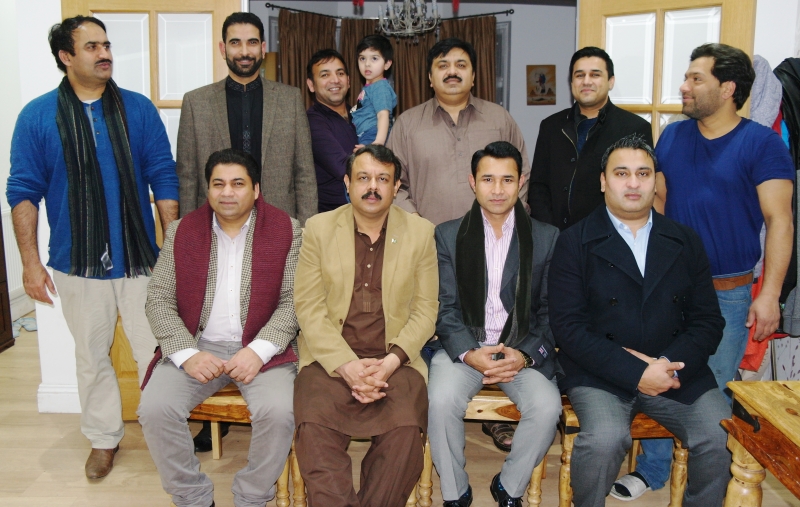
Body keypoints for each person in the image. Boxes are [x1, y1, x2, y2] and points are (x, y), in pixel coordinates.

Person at [613, 43, 795, 501]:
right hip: (665, 288)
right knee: (660, 375)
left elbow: (780, 221)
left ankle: (705, 480)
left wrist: (769, 294)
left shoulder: (762, 144)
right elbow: (658, 199)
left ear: (728, 88)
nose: (684, 86)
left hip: (728, 295)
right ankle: (653, 469)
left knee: (707, 389)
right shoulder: (673, 136)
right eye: (687, 77)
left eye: (696, 78)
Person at [6, 15, 179, 479]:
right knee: (91, 356)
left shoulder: (137, 109)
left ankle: (165, 434)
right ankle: (103, 439)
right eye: (92, 47)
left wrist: (173, 246)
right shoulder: (37, 116)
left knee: (158, 352)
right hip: (76, 262)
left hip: (140, 259)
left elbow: (163, 175)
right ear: (66, 56)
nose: (105, 54)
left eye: (106, 45)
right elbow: (23, 191)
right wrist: (29, 264)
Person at [548, 135, 731, 507]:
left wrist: (666, 365)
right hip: (600, 373)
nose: (633, 183)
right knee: (603, 440)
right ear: (603, 181)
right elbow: (569, 328)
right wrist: (637, 372)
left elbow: (708, 320)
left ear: (655, 181)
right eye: (622, 173)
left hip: (675, 370)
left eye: (643, 173)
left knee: (720, 436)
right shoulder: (573, 241)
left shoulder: (685, 240)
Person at [387, 37, 531, 447]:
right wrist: (423, 229)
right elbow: (396, 184)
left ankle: (498, 413)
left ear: (474, 73)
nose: (452, 71)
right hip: (430, 248)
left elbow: (522, 178)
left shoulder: (499, 119)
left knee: (497, 321)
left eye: (461, 64)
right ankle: (430, 407)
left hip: (496, 246)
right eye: (443, 65)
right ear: (429, 76)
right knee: (436, 323)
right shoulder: (407, 124)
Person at [139, 148, 301, 507]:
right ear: (208, 190)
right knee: (154, 408)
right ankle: (193, 497)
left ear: (256, 190)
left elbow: (294, 301)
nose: (228, 192)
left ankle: (252, 497)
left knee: (280, 411)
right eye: (219, 184)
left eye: (238, 183)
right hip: (198, 345)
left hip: (262, 347)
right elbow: (158, 299)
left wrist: (258, 351)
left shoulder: (287, 230)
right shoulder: (182, 231)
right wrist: (187, 354)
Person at [293, 145, 438, 507]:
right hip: (328, 360)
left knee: (406, 432)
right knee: (315, 431)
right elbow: (308, 307)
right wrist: (346, 365)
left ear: (396, 186)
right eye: (363, 178)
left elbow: (426, 311)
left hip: (396, 362)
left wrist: (389, 363)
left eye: (382, 179)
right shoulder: (319, 229)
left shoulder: (420, 233)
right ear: (347, 183)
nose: (372, 187)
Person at [428, 142, 561, 507]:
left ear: (521, 182)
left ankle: (509, 486)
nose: (498, 189)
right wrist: (469, 354)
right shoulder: (448, 235)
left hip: (520, 350)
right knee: (440, 401)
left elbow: (551, 313)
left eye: (507, 179)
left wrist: (524, 356)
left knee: (547, 407)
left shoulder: (546, 237)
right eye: (488, 179)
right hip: (464, 348)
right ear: (473, 182)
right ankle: (455, 493)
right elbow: (444, 308)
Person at [176, 12, 317, 224]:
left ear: (262, 48)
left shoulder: (290, 99)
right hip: (214, 222)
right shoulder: (196, 103)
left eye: (252, 42)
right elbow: (187, 178)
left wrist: (306, 230)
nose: (244, 52)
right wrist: (189, 230)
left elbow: (305, 174)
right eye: (235, 43)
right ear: (223, 49)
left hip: (278, 221)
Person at [528, 46, 653, 230]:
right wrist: (549, 232)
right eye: (579, 75)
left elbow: (640, 189)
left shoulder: (634, 128)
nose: (586, 81)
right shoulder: (551, 126)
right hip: (556, 236)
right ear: (571, 82)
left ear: (611, 81)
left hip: (610, 236)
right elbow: (538, 186)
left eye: (595, 75)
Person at [306, 49, 358, 212]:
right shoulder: (311, 121)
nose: (335, 80)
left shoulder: (361, 115)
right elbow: (342, 167)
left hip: (369, 212)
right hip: (333, 216)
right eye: (325, 75)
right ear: (311, 85)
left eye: (340, 73)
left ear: (348, 81)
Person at [351, 35, 396, 146]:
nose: (367, 64)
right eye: (362, 58)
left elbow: (383, 115)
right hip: (365, 134)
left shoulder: (380, 87)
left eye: (374, 58)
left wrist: (378, 142)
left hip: (373, 134)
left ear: (387, 64)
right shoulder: (371, 87)